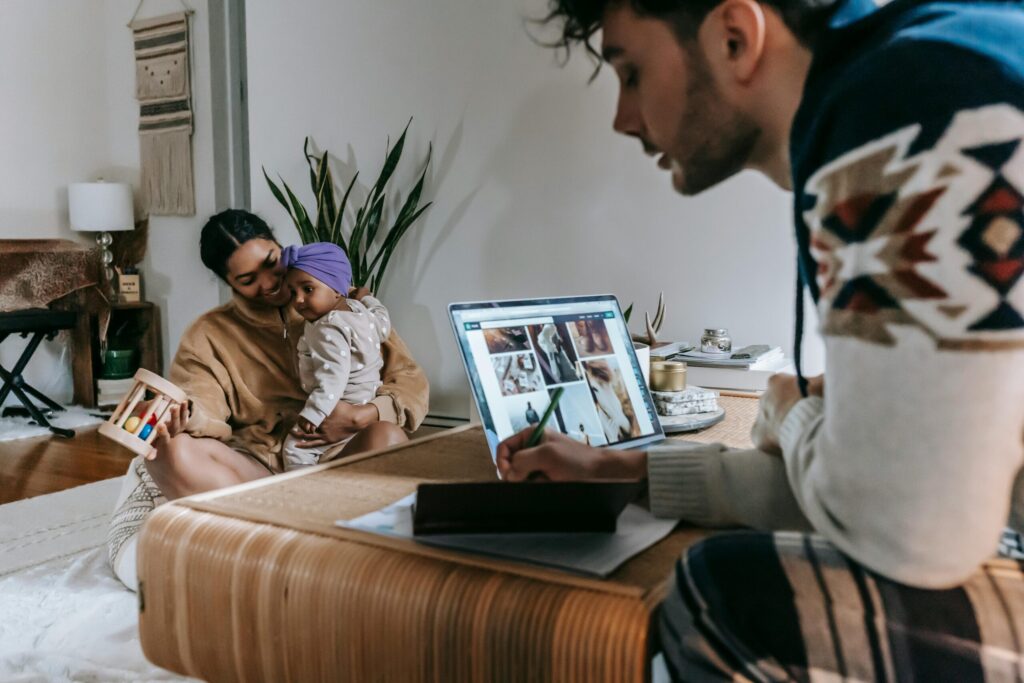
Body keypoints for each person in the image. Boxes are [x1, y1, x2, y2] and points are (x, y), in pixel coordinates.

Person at [500, 0, 1024, 680]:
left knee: (719, 599)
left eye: (630, 73)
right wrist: (622, 473)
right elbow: (871, 486)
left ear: (734, 37)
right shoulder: (933, 64)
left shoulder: (905, 99)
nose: (622, 119)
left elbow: (907, 528)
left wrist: (788, 411)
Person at [107, 210, 429, 590]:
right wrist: (184, 415)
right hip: (259, 474)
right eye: (247, 280)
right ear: (227, 282)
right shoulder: (209, 333)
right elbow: (201, 400)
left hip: (336, 460)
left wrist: (365, 415)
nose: (270, 284)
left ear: (281, 247)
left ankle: (270, 539)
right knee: (168, 452)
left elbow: (410, 383)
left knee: (389, 438)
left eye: (271, 263)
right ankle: (305, 540)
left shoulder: (340, 303)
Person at [279, 242, 392, 470]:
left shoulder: (326, 328)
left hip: (336, 406)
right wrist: (367, 298)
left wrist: (314, 413)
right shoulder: (360, 311)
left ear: (337, 289)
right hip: (366, 400)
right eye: (293, 292)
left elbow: (334, 378)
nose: (298, 300)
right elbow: (383, 322)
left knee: (294, 448)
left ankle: (303, 491)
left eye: (308, 289)